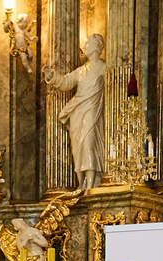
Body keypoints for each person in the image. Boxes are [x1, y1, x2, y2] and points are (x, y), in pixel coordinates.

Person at [42, 34, 106, 190]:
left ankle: (90, 184)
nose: (85, 46)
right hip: (78, 110)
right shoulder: (81, 70)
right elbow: (65, 82)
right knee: (77, 147)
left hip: (93, 109)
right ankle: (81, 183)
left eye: (88, 43)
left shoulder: (105, 67)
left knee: (89, 143)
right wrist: (52, 76)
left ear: (97, 46)